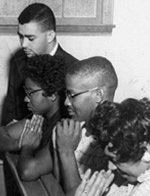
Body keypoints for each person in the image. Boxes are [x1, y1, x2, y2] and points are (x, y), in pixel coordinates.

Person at [18, 56, 118, 187]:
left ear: (98, 95)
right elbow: (57, 183)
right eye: (66, 94)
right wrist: (57, 147)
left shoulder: (116, 137)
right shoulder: (76, 126)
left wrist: (66, 151)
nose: (66, 102)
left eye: (72, 95)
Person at [0, 54, 68, 179]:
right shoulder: (40, 117)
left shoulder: (62, 125)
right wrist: (18, 143)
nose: (25, 99)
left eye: (30, 93)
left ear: (52, 94)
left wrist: (27, 147)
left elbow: (27, 172)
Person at [1, 3, 76, 125]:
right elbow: (11, 111)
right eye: (20, 37)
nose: (23, 44)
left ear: (50, 36)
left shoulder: (73, 68)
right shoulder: (18, 63)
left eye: (30, 38)